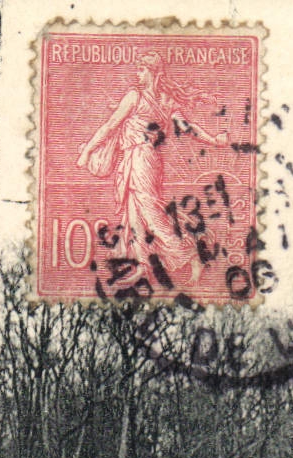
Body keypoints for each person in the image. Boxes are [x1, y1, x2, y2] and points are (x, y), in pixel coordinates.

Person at [77, 53, 229, 288]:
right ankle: (143, 266)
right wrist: (214, 140)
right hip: (137, 160)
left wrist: (87, 152)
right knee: (134, 216)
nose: (137, 74)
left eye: (142, 70)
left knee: (151, 214)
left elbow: (110, 126)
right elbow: (186, 127)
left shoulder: (138, 97)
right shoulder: (159, 99)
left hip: (143, 160)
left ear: (154, 72)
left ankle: (191, 254)